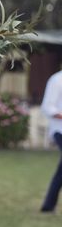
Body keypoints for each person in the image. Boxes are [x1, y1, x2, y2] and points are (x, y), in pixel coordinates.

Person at [40, 68, 62, 212]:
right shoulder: (57, 80)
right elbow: (47, 107)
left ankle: (48, 205)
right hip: (59, 130)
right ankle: (48, 205)